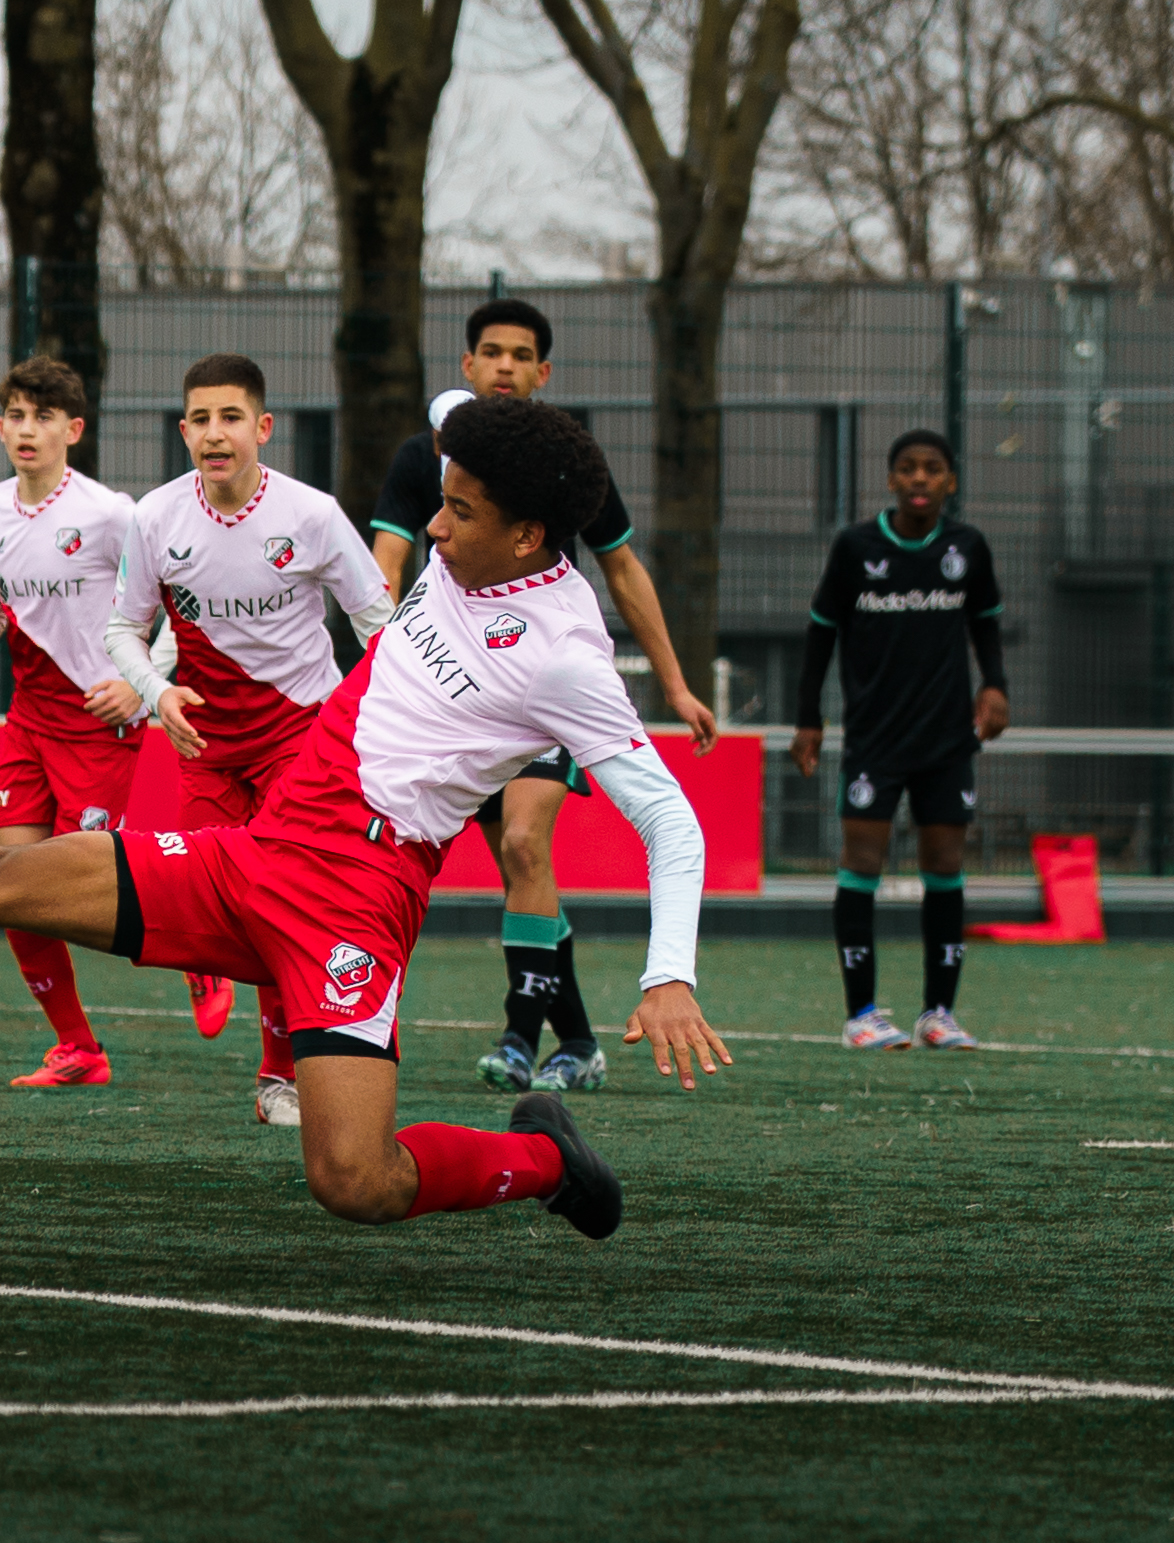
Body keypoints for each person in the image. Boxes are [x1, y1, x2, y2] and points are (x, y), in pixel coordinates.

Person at [0, 395, 727, 1240]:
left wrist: (665, 974)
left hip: (353, 903)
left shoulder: (567, 656)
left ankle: (544, 1159)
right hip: (256, 850)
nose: (431, 527)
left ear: (529, 537)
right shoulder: (476, 507)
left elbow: (673, 825)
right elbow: (462, 411)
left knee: (354, 1182)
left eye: (460, 513)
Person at [363, 298, 720, 1096]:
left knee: (526, 845)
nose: (504, 367)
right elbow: (387, 557)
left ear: (540, 373)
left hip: (533, 687)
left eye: (520, 356)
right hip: (456, 697)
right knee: (511, 864)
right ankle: (580, 1037)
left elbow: (623, 570)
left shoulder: (566, 470)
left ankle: (522, 1034)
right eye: (490, 352)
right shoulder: (432, 454)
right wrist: (382, 645)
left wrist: (674, 682)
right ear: (469, 365)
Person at [109, 353, 396, 1127]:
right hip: (204, 743)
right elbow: (122, 631)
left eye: (231, 416)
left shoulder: (311, 514)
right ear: (183, 431)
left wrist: (377, 725)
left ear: (262, 428)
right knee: (213, 908)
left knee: (286, 903)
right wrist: (158, 690)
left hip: (302, 740)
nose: (215, 432)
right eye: (200, 418)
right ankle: (207, 969)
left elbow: (379, 627)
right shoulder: (155, 519)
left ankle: (281, 1077)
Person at [0, 357, 145, 1088]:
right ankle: (79, 1047)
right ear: (0, 428)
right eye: (17, 416)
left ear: (73, 429)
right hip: (29, 718)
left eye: (44, 416)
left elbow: (177, 606)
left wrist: (138, 686)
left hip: (99, 719)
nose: (28, 429)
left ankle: (194, 955)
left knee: (85, 887)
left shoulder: (112, 514)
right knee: (12, 883)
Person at [789, 428, 1009, 1051]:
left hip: (947, 740)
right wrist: (809, 718)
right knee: (862, 865)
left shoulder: (967, 547)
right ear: (890, 480)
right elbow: (820, 635)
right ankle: (861, 1014)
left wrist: (995, 686)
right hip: (874, 740)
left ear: (950, 482)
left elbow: (986, 625)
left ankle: (938, 1013)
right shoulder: (856, 547)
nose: (919, 479)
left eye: (932, 469)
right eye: (907, 468)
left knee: (945, 868)